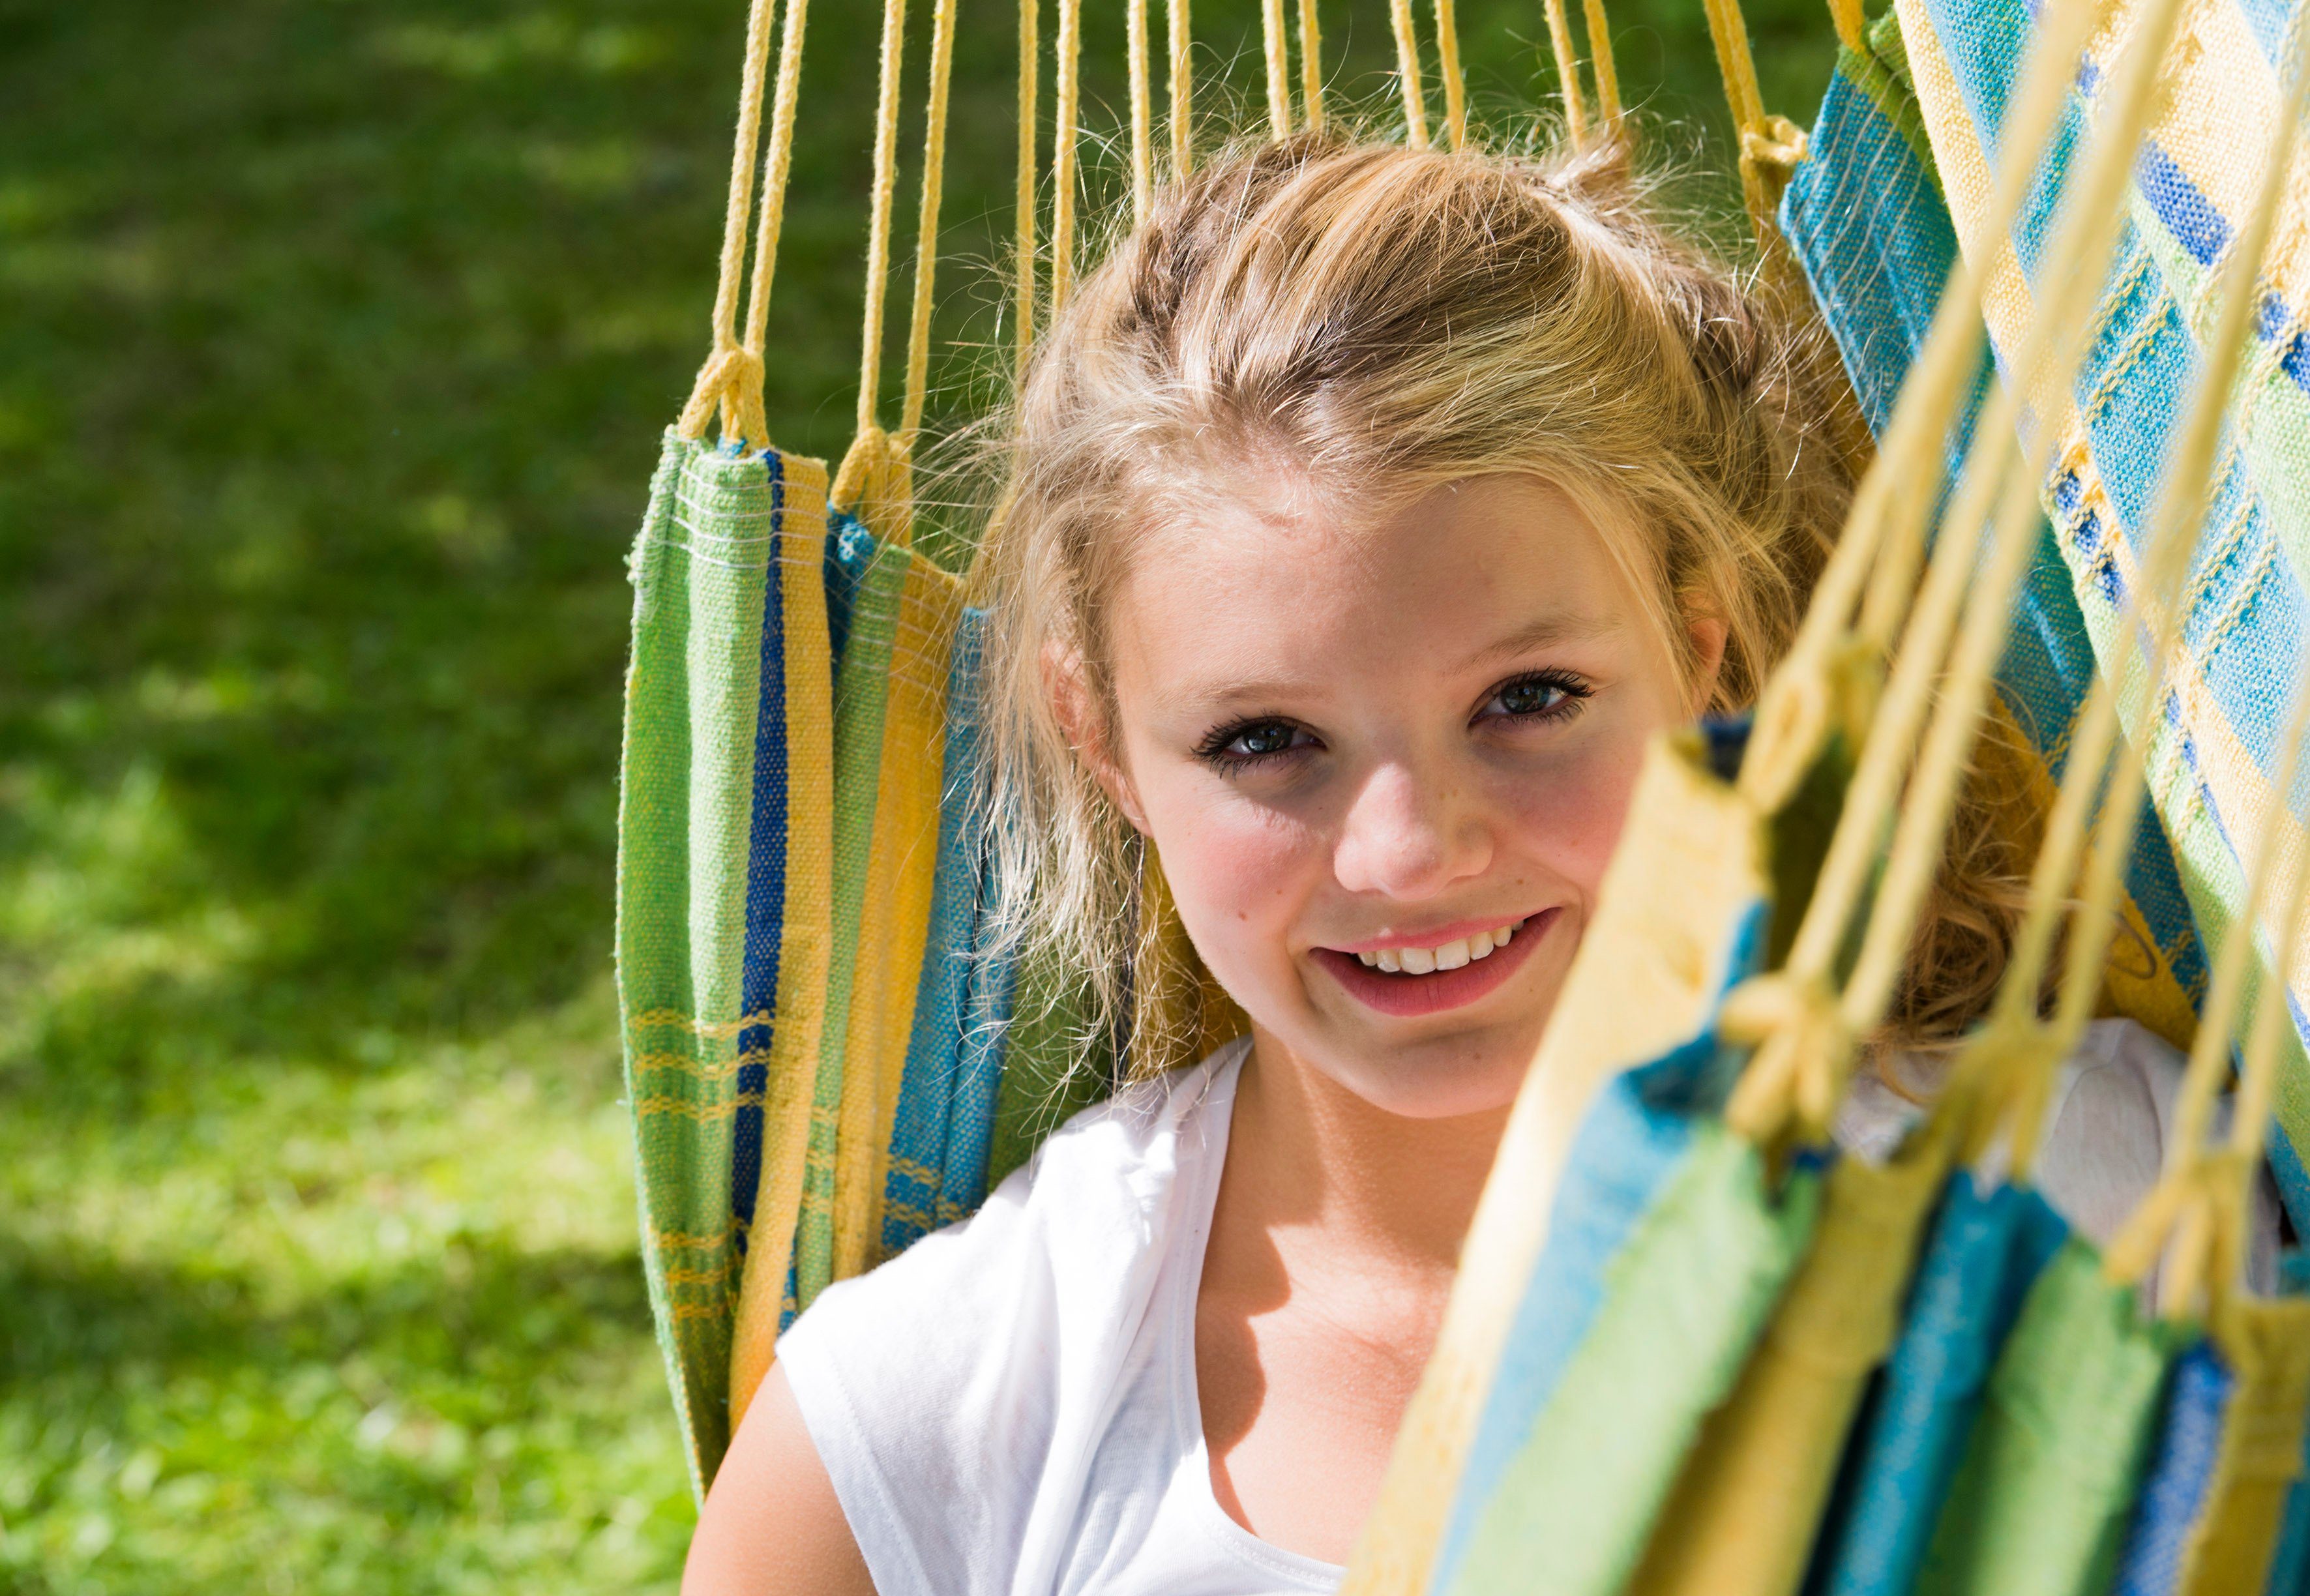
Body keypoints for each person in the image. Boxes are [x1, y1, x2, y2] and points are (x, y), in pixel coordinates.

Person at [681, 129, 2244, 1595]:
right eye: (1262, 742)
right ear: (1101, 748)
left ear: (1697, 656)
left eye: (1527, 701)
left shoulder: (2093, 1203)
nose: (1413, 853)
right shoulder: (921, 1434)